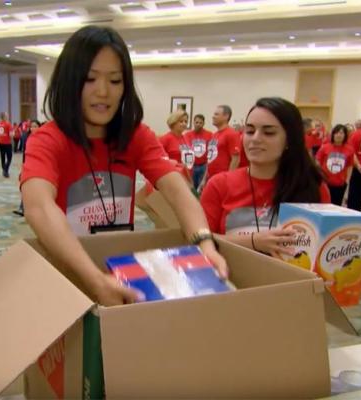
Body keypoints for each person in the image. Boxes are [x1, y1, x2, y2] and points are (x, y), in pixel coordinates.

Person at [20, 25, 227, 306]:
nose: (103, 92)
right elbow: (39, 207)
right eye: (90, 79)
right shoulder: (47, 140)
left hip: (119, 265)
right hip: (69, 267)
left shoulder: (136, 136)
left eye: (115, 81)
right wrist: (93, 279)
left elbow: (176, 189)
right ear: (70, 82)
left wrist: (205, 243)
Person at [201, 97, 330, 256]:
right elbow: (200, 239)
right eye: (249, 131)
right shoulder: (219, 185)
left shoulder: (312, 186)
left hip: (290, 279)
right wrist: (254, 241)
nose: (255, 139)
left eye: (268, 132)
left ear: (289, 139)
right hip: (229, 277)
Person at [202, 105, 240, 188]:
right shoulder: (214, 135)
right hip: (211, 179)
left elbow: (236, 159)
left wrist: (228, 180)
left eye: (216, 114)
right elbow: (210, 159)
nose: (213, 116)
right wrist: (204, 179)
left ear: (226, 116)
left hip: (222, 180)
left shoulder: (231, 134)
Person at [316, 124, 355, 206]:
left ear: (345, 135)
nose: (339, 135)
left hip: (340, 183)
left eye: (341, 133)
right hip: (325, 182)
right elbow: (317, 161)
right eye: (336, 133)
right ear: (333, 134)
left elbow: (350, 166)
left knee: (336, 205)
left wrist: (347, 180)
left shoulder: (350, 150)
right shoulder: (325, 147)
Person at [13, 119, 40, 217]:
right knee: (25, 186)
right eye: (32, 126)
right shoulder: (26, 137)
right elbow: (25, 154)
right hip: (28, 165)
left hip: (40, 166)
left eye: (36, 126)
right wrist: (23, 168)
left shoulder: (43, 139)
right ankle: (22, 207)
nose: (33, 128)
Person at [184, 114, 213, 191]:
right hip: (191, 166)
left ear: (203, 123)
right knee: (191, 189)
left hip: (204, 165)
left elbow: (211, 152)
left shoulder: (210, 134)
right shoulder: (187, 135)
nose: (198, 124)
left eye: (200, 123)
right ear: (193, 122)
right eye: (196, 122)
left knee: (202, 189)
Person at [0, 112, 13, 178]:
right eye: (7, 115)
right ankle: (6, 170)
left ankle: (4, 169)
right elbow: (11, 135)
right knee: (9, 158)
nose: (7, 116)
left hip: (1, 143)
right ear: (5, 117)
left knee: (2, 157)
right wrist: (12, 134)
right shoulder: (8, 124)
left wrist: (0, 136)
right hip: (7, 143)